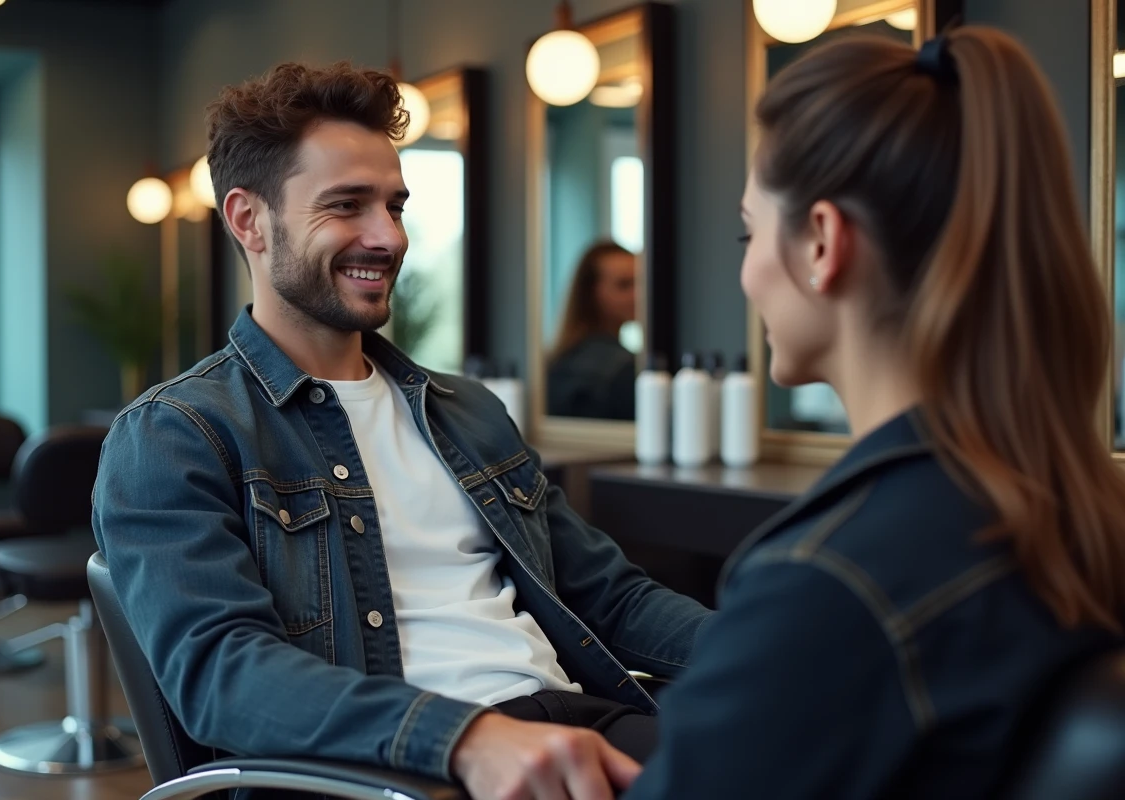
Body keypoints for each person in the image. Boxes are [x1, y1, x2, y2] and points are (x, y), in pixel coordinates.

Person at [91, 62, 710, 800]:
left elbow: (611, 598)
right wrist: (465, 739)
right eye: (347, 205)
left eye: (395, 206)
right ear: (248, 220)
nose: (387, 237)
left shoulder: (467, 411)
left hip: (571, 729)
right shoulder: (176, 435)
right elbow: (225, 675)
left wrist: (770, 652)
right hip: (395, 770)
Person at [624, 28, 1125, 799]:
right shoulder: (1068, 507)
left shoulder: (827, 583)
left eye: (750, 232)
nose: (747, 271)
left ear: (822, 244)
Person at [546, 241, 638, 420]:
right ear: (592, 293)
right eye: (624, 285)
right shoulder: (623, 369)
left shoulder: (557, 359)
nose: (638, 294)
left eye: (641, 283)